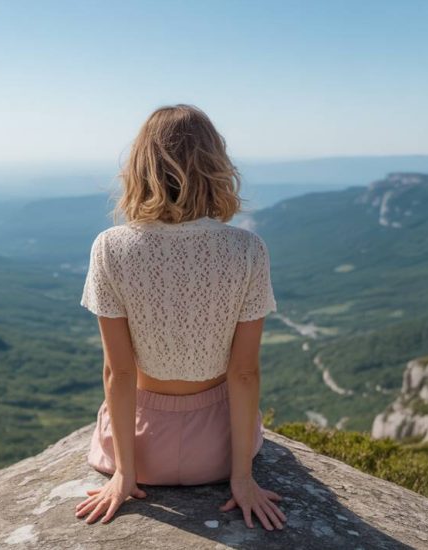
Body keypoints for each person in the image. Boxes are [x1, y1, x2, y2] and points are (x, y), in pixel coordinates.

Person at [75, 104, 287, 531]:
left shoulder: (110, 247)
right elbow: (244, 373)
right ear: (215, 166)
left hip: (140, 449)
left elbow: (118, 372)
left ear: (141, 167)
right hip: (219, 450)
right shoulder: (248, 250)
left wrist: (124, 474)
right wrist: (242, 477)